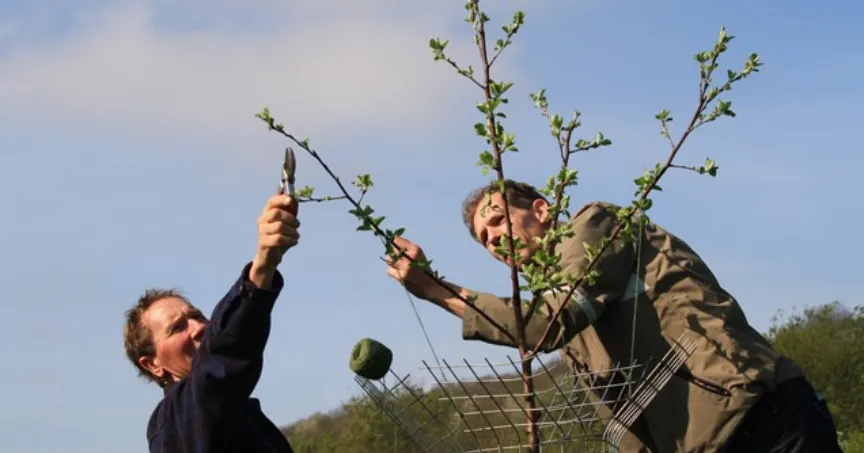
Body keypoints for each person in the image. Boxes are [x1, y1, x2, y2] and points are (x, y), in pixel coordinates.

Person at [385, 179, 843, 453]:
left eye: (500, 221)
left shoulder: (595, 227)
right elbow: (625, 416)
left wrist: (434, 289)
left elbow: (543, 326)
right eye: (485, 239)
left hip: (760, 419)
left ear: (541, 210)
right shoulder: (567, 315)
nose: (495, 240)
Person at [123, 193, 300, 453]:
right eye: (177, 328)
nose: (198, 327)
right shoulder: (179, 419)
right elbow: (222, 357)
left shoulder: (233, 413)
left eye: (196, 316)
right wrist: (263, 266)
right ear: (152, 365)